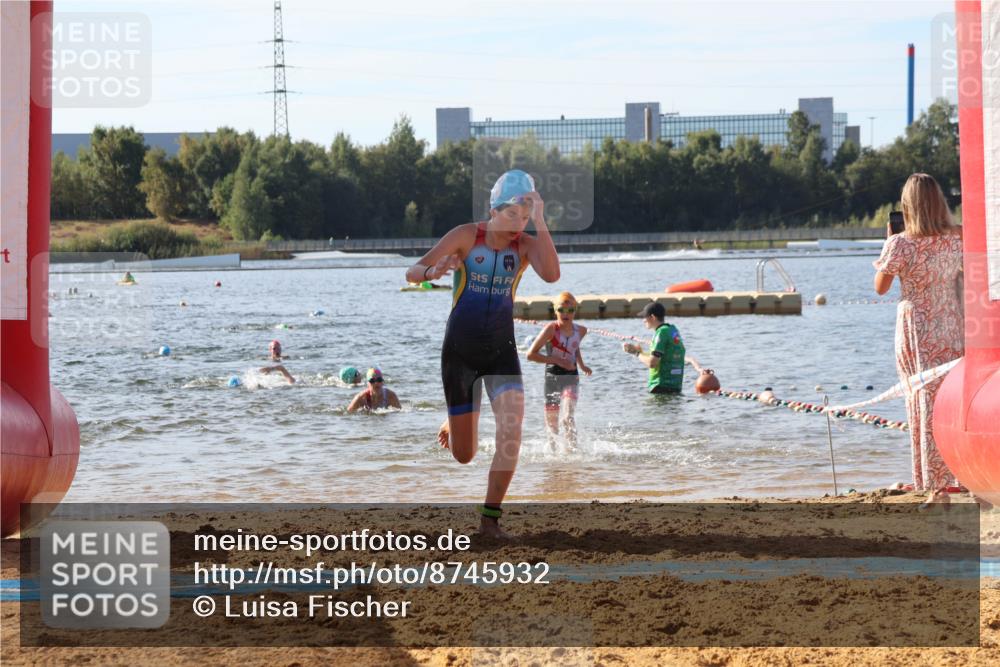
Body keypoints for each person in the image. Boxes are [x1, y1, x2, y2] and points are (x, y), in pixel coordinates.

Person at [405, 169, 560, 538]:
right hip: (459, 353)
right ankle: (453, 419)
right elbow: (412, 272)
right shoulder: (465, 236)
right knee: (465, 454)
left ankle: (490, 520)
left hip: (501, 351)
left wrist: (539, 222)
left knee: (513, 428)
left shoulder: (523, 244)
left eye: (524, 217)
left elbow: (552, 275)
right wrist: (434, 270)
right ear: (494, 209)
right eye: (512, 215)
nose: (517, 224)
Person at [873, 173, 964, 503]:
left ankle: (935, 486)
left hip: (917, 329)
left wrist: (889, 243)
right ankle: (964, 477)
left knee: (922, 405)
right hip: (952, 323)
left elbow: (880, 288)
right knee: (954, 402)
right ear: (939, 201)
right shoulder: (958, 237)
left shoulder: (900, 243)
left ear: (907, 206)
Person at [527, 291, 592, 450]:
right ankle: (554, 460)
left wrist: (582, 365)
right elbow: (531, 355)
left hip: (571, 376)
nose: (565, 314)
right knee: (552, 426)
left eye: (570, 310)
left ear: (575, 311)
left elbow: (574, 347)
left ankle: (573, 454)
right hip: (552, 377)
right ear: (555, 311)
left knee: (567, 417)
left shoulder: (581, 331)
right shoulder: (551, 329)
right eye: (561, 310)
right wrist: (557, 360)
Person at [622, 302, 685, 394]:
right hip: (676, 386)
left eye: (645, 317)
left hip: (660, 387)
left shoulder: (661, 333)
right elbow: (664, 356)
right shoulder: (673, 330)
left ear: (653, 317)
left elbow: (652, 363)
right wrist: (642, 353)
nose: (643, 320)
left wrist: (636, 353)